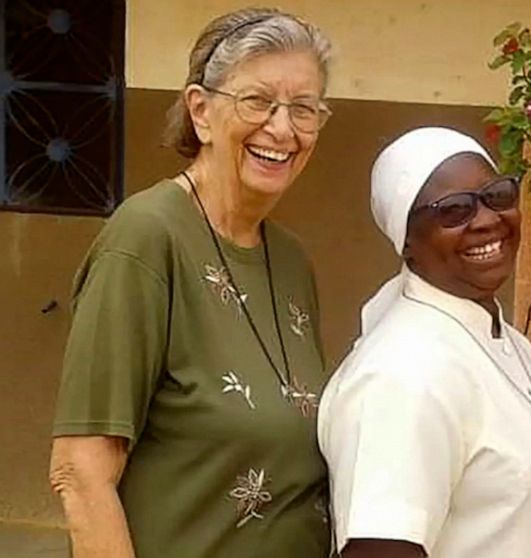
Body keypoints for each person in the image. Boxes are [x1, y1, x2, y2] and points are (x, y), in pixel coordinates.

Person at [49, 8, 333, 558]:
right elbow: (81, 472)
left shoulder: (292, 260)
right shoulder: (146, 239)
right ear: (200, 111)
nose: (282, 128)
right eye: (257, 101)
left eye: (304, 109)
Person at [317, 127, 531, 558]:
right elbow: (382, 548)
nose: (486, 220)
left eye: (496, 195)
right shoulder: (403, 373)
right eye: (453, 210)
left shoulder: (506, 342)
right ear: (406, 242)